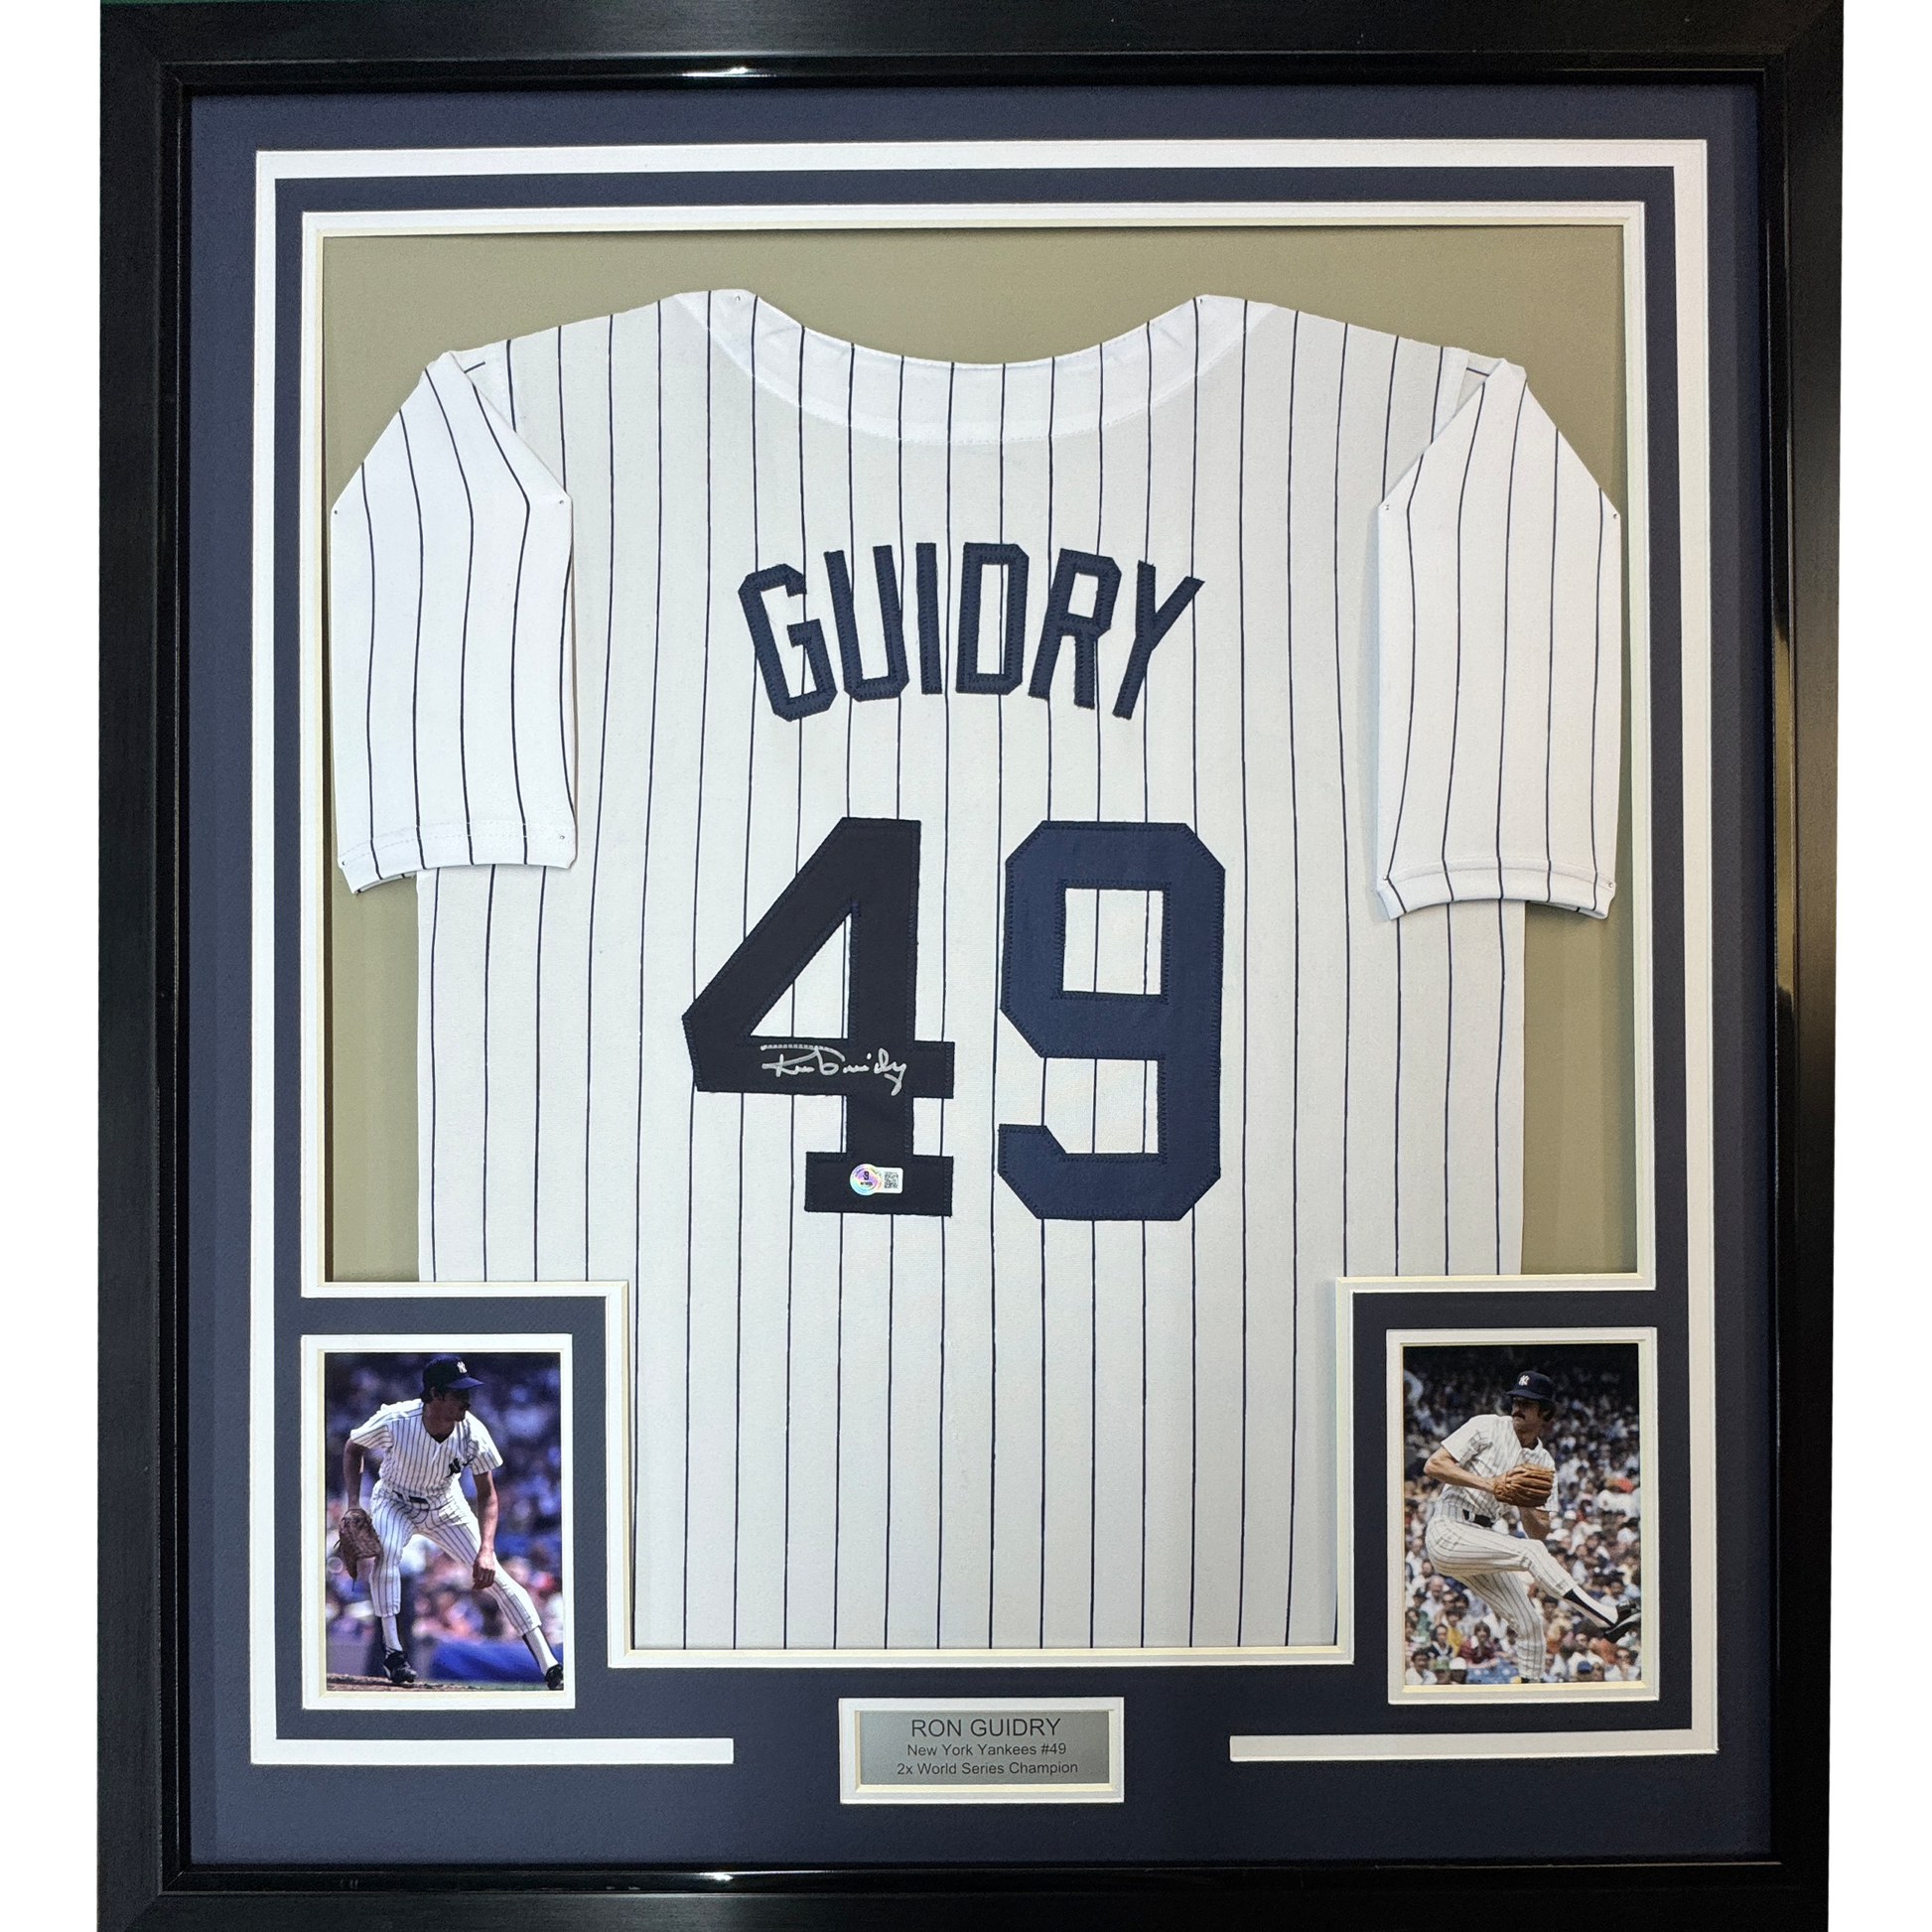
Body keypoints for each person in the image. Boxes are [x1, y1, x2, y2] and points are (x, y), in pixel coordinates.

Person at [340, 1355, 564, 1689]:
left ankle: (550, 1666)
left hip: (446, 1505)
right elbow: (352, 1447)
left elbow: (488, 1495)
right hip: (395, 1500)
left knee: (499, 1579)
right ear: (435, 1394)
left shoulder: (472, 1430)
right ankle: (394, 1654)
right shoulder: (396, 1418)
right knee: (388, 1556)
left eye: (467, 1392)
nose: (466, 1400)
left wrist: (486, 1550)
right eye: (458, 1393)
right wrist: (353, 1505)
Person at [1420, 1369, 1639, 1686]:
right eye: (1516, 1400)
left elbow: (1539, 1530)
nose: (1518, 1407)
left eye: (1527, 1403)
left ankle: (1530, 1695)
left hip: (1479, 1538)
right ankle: (1606, 1617)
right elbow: (1434, 1464)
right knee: (1531, 1552)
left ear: (1545, 1413)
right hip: (1448, 1526)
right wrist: (1491, 1484)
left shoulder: (1544, 1462)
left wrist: (1522, 1501)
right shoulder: (1487, 1426)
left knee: (1530, 1625)